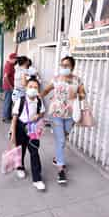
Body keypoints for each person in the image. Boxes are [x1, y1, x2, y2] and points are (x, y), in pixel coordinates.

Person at [41, 56, 86, 184]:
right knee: (60, 140)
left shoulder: (77, 80)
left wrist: (79, 95)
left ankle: (57, 157)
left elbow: (83, 94)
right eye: (62, 65)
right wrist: (37, 98)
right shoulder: (56, 79)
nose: (64, 67)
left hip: (71, 114)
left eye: (66, 65)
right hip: (56, 113)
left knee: (64, 137)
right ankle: (61, 169)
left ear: (72, 67)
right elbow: (46, 90)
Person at [10, 78, 46, 191]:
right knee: (21, 149)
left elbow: (42, 112)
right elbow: (14, 118)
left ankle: (37, 179)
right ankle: (20, 167)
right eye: (30, 86)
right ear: (26, 88)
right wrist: (13, 133)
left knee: (34, 152)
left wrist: (38, 116)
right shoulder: (20, 101)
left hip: (33, 129)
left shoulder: (39, 101)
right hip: (20, 127)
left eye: (35, 87)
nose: (33, 89)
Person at [2, 52, 18, 123]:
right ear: (12, 59)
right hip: (8, 87)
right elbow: (6, 77)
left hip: (10, 86)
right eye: (15, 59)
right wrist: (11, 86)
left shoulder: (11, 64)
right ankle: (5, 118)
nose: (16, 61)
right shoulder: (9, 65)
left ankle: (8, 116)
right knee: (7, 102)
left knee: (10, 102)